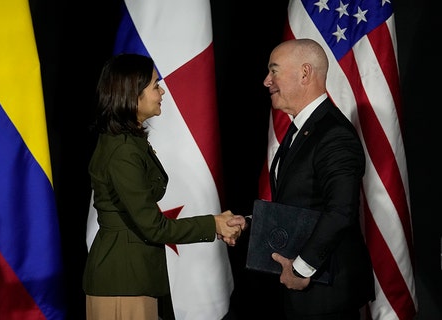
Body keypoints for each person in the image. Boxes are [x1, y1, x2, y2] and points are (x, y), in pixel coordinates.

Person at [83, 53, 242, 320]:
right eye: (155, 85)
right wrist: (213, 224)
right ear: (133, 94)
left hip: (134, 276)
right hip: (122, 282)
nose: (162, 91)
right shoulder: (122, 150)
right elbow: (153, 227)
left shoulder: (128, 141)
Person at [228, 38, 376, 319]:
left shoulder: (333, 134)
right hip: (304, 297)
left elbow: (341, 211)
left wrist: (301, 269)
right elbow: (301, 204)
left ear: (305, 73)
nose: (266, 81)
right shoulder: (303, 129)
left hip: (325, 294)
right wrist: (251, 223)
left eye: (274, 71)